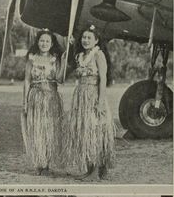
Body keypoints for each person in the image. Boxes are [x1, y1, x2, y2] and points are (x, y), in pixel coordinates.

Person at [65, 24, 115, 181]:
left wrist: (100, 102)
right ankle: (90, 169)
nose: (86, 40)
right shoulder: (79, 56)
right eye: (84, 38)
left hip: (94, 96)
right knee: (84, 132)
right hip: (81, 97)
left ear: (96, 40)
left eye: (89, 38)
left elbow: (103, 79)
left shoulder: (98, 55)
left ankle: (96, 171)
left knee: (94, 132)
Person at [21, 29, 64, 175]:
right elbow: (27, 80)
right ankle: (40, 163)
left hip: (51, 98)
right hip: (35, 97)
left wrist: (63, 62)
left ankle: (47, 163)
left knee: (49, 130)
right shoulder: (32, 58)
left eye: (47, 41)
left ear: (52, 44)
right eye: (41, 40)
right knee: (37, 130)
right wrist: (25, 102)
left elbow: (60, 79)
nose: (44, 43)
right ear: (37, 42)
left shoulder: (55, 59)